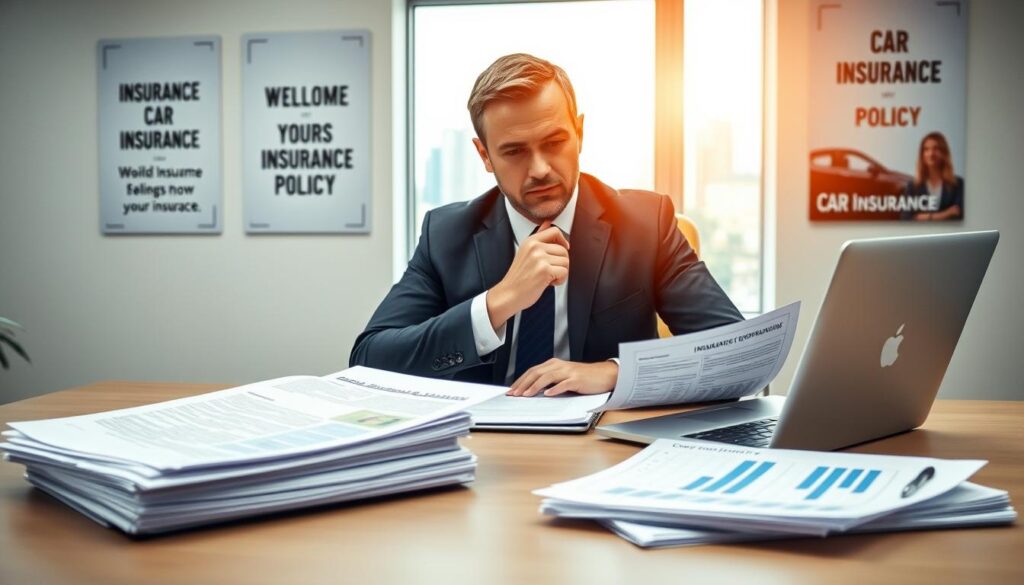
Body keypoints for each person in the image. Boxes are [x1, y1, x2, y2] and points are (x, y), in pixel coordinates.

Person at [350, 53, 742, 397]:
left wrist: (614, 373)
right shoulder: (447, 234)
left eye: (554, 142)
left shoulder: (646, 224)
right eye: (515, 151)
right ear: (485, 155)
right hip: (483, 450)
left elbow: (736, 353)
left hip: (609, 444)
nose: (539, 169)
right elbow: (369, 359)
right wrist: (497, 303)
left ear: (580, 133)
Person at [902, 131, 964, 221]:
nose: (931, 154)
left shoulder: (958, 184)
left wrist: (921, 217)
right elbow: (906, 218)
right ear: (922, 155)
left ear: (944, 153)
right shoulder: (912, 186)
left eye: (936, 149)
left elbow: (958, 214)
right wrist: (945, 214)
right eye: (926, 149)